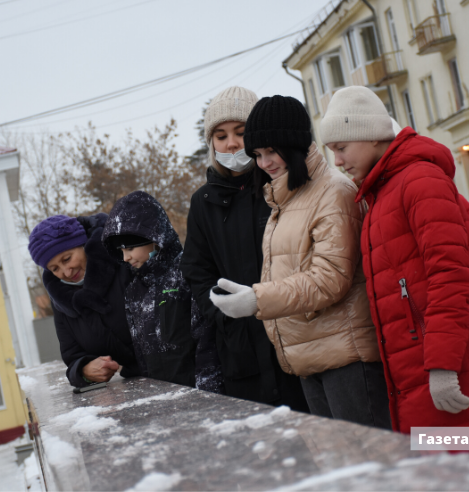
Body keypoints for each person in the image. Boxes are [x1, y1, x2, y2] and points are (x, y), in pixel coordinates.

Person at [320, 86, 469, 459]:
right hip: (417, 375)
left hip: (449, 371)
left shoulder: (419, 181)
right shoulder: (381, 194)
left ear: (372, 134)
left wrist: (452, 354)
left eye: (341, 148)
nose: (339, 161)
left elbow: (454, 272)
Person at [208, 95, 390, 428]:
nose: (264, 163)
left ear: (293, 143)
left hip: (346, 358)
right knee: (338, 472)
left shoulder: (333, 193)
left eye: (271, 151)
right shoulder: (285, 197)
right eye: (257, 155)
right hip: (308, 360)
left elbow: (329, 278)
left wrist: (257, 300)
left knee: (371, 471)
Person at [180, 86, 308, 411]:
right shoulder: (203, 202)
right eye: (220, 136)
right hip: (241, 354)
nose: (232, 143)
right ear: (211, 144)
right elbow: (197, 271)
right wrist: (226, 317)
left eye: (240, 132)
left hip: (298, 338)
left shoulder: (283, 186)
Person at [102, 190, 224, 393]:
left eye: (129, 248)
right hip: (161, 398)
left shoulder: (187, 274)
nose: (125, 258)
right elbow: (142, 355)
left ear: (153, 237)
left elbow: (206, 340)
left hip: (197, 393)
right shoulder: (133, 291)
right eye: (120, 252)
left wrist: (209, 393)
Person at [28, 213, 140, 388]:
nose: (66, 272)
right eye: (54, 268)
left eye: (67, 259)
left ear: (83, 244)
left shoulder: (125, 261)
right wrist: (85, 370)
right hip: (132, 387)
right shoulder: (61, 300)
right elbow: (72, 356)